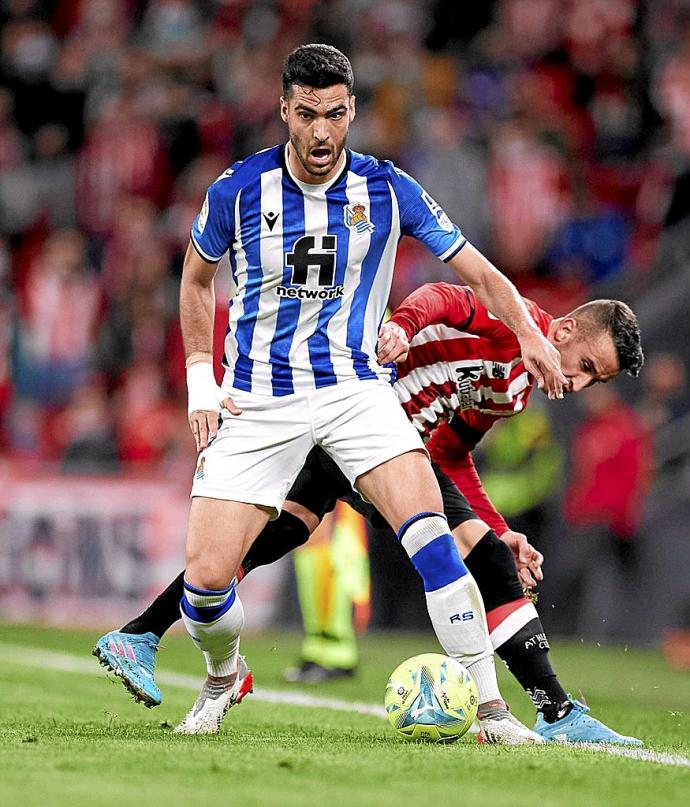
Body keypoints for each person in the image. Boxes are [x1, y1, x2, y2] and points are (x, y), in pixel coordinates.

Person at [102, 43, 567, 741]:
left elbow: (478, 271)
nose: (323, 132)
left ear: (352, 112)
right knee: (204, 588)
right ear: (285, 110)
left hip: (355, 390)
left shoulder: (388, 188)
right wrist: (201, 379)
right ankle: (226, 672)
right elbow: (196, 280)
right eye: (309, 114)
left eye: (337, 115)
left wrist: (529, 331)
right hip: (257, 397)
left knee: (433, 540)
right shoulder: (238, 189)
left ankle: (492, 710)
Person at [95, 281, 644, 745]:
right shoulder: (514, 323)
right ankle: (544, 713)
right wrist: (404, 325)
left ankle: (152, 638)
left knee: (272, 540)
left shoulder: (517, 392)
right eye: (587, 367)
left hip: (385, 445)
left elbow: (450, 452)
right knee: (257, 546)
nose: (580, 383)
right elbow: (446, 295)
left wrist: (500, 527)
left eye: (596, 379)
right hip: (359, 414)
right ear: (565, 332)